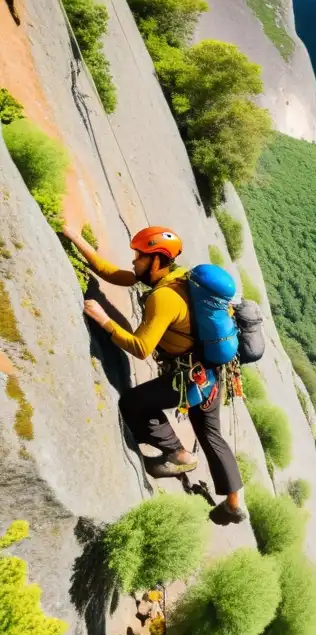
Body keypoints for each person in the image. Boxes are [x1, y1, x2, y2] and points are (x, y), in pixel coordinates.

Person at [63, 224, 247, 525]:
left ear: (157, 260)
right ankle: (233, 502)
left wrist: (104, 321)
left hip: (189, 377)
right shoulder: (179, 277)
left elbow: (140, 347)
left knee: (134, 403)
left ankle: (177, 454)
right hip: (211, 373)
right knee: (211, 434)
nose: (134, 261)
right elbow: (113, 274)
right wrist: (76, 238)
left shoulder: (163, 298)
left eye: (140, 256)